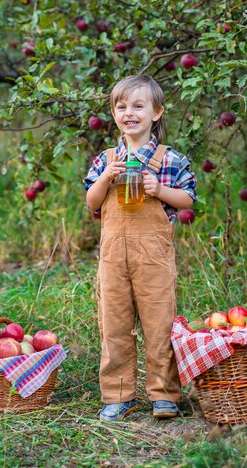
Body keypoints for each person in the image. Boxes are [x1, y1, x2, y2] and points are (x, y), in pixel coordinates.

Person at [83, 74, 197, 422]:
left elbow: (188, 199)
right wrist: (105, 179)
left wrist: (158, 190)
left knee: (159, 324)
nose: (129, 112)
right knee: (114, 325)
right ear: (114, 113)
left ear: (156, 112)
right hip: (114, 258)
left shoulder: (169, 159)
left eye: (138, 106)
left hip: (153, 259)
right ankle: (118, 396)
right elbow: (92, 203)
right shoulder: (106, 159)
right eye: (122, 106)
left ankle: (165, 395)